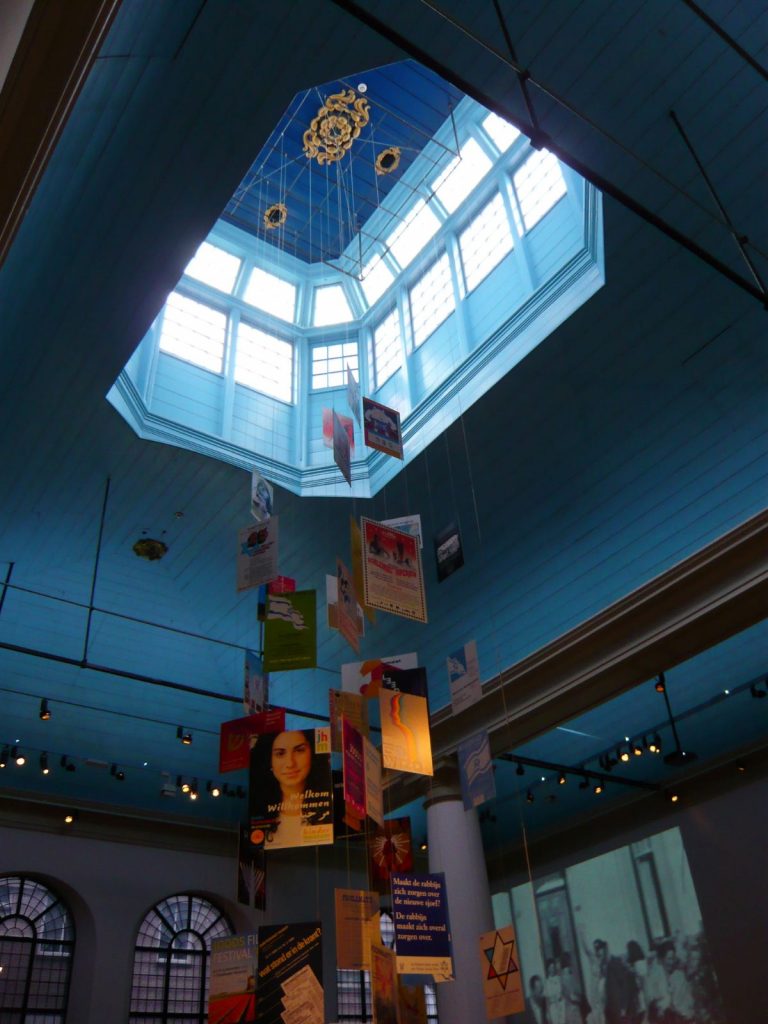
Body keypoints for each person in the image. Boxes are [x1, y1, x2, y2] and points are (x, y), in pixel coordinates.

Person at [249, 730, 331, 849]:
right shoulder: (257, 812)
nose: (290, 763)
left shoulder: (329, 809)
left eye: (299, 750)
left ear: (313, 753)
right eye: (280, 753)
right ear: (269, 760)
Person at [647, 940, 694, 1024]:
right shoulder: (655, 979)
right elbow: (653, 1002)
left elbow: (686, 1003)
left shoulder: (679, 977)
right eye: (668, 959)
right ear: (661, 960)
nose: (671, 962)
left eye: (673, 958)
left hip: (682, 1018)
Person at [559, 951, 589, 1024]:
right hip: (573, 1010)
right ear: (568, 961)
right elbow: (572, 996)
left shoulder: (562, 976)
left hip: (569, 1009)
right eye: (570, 960)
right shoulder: (567, 976)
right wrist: (580, 1000)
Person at [544, 958, 566, 1024]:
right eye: (550, 967)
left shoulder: (559, 979)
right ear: (547, 968)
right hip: (553, 1007)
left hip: (561, 1004)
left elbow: (564, 992)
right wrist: (548, 1014)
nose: (552, 969)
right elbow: (547, 1000)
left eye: (553, 967)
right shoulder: (546, 982)